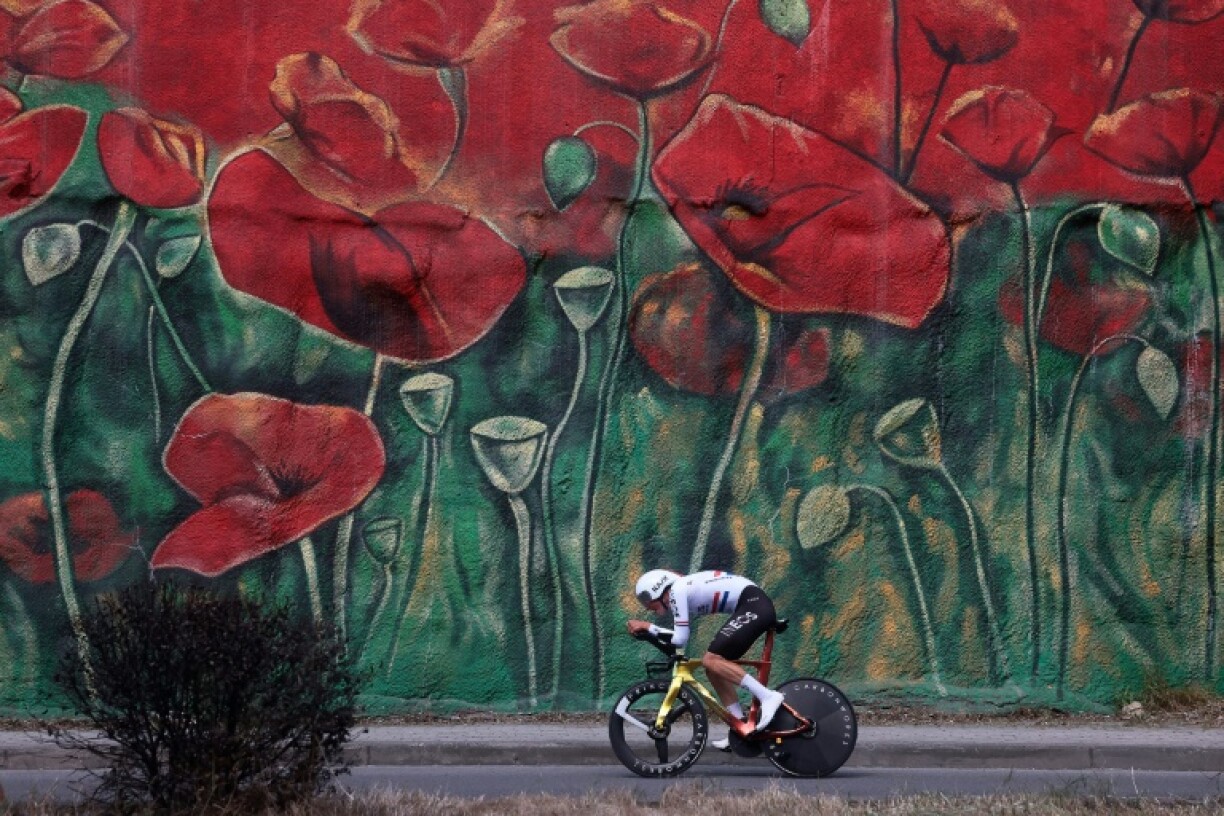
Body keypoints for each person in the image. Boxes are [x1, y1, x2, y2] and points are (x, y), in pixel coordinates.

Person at [628, 568, 785, 751]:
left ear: (659, 589)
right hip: (752, 604)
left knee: (710, 660)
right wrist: (651, 631)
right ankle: (740, 726)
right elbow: (678, 638)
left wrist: (648, 627)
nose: (648, 608)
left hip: (754, 605)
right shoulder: (683, 589)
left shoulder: (677, 590)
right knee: (713, 668)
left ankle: (768, 697)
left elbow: (680, 639)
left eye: (648, 602)